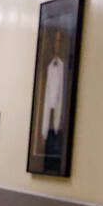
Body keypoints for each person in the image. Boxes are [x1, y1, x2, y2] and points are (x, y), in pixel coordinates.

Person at [41, 30, 67, 163]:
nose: (56, 45)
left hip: (59, 118)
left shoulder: (64, 67)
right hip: (49, 115)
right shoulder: (50, 66)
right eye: (55, 42)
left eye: (59, 41)